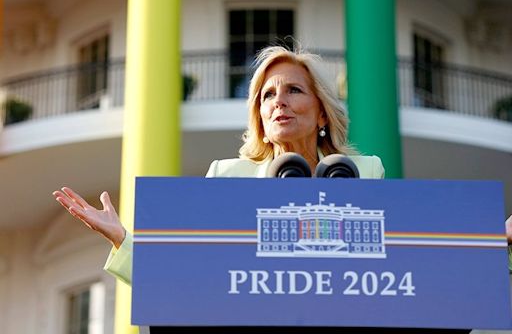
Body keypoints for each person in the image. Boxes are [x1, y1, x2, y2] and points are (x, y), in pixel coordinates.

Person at [53, 45, 385, 285]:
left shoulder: (365, 173)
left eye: (293, 90)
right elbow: (191, 272)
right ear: (260, 116)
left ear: (323, 111)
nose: (279, 101)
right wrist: (122, 240)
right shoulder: (227, 177)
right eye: (267, 95)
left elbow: (395, 266)